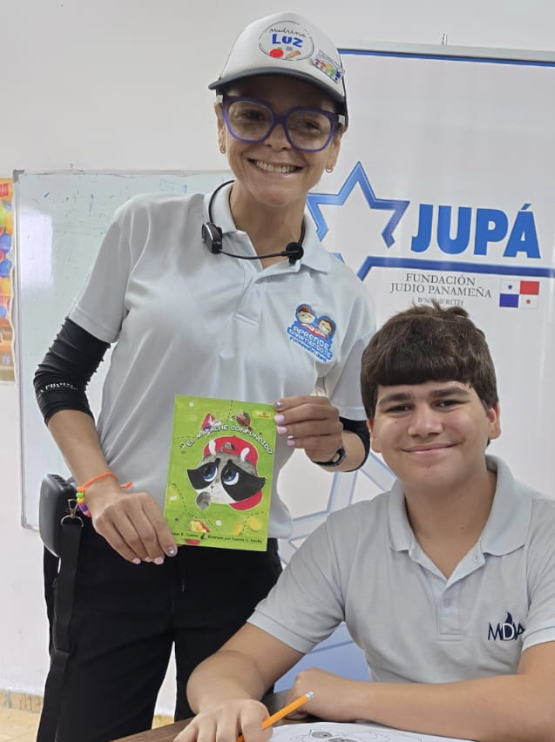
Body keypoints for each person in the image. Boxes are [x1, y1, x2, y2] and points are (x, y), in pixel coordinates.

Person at [32, 12, 375, 742]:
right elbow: (59, 378)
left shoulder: (343, 294)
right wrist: (100, 491)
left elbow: (356, 441)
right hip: (117, 543)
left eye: (307, 125)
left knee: (224, 737)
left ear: (333, 146)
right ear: (222, 127)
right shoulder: (146, 227)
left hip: (239, 564)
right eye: (252, 116)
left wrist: (330, 445)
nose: (278, 142)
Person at [176, 303, 555, 742]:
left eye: (446, 401)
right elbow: (232, 664)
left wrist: (355, 698)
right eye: (399, 407)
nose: (423, 424)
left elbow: (542, 713)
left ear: (492, 417)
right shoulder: (344, 541)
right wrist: (225, 700)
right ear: (374, 432)